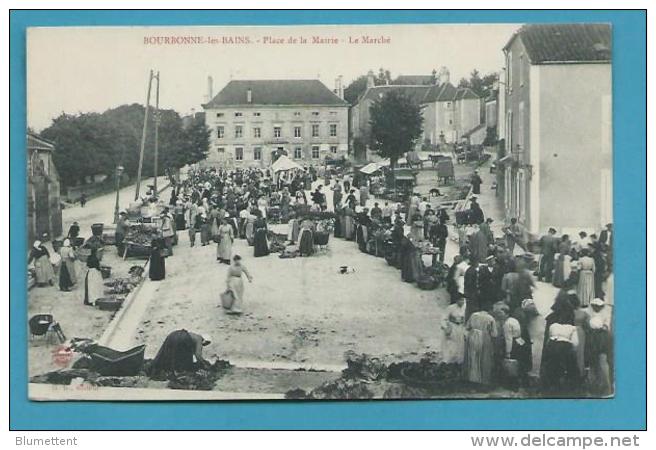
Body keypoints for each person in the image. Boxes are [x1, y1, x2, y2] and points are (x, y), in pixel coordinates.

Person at [147, 330, 212, 380]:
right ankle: (177, 372)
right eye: (206, 344)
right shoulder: (199, 339)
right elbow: (198, 355)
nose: (204, 345)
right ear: (204, 340)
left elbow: (194, 354)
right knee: (184, 360)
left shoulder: (193, 336)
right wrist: (204, 364)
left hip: (173, 335)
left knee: (166, 354)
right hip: (183, 337)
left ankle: (154, 368)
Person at [585, 298, 612, 395]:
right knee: (597, 366)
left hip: (599, 343)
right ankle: (597, 387)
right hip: (597, 343)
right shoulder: (589, 313)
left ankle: (604, 387)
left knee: (601, 365)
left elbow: (606, 326)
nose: (596, 308)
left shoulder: (605, 314)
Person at [500, 304, 532, 386]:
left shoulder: (507, 324)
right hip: (520, 341)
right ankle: (525, 383)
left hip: (514, 344)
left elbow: (508, 339)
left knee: (512, 364)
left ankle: (513, 385)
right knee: (520, 363)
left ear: (506, 314)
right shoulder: (514, 320)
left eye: (502, 314)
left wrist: (508, 352)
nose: (500, 316)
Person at [464, 309, 498, 385]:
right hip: (484, 337)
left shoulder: (473, 315)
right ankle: (483, 381)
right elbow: (494, 334)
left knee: (473, 358)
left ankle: (472, 379)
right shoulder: (490, 318)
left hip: (472, 336)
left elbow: (467, 327)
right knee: (484, 359)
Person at [441, 296, 467, 364]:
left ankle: (459, 361)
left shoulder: (465, 308)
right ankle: (448, 361)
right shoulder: (451, 308)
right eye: (460, 300)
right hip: (452, 327)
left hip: (461, 327)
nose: (462, 302)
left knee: (461, 344)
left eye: (463, 300)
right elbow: (444, 318)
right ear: (456, 300)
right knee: (451, 344)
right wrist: (445, 327)